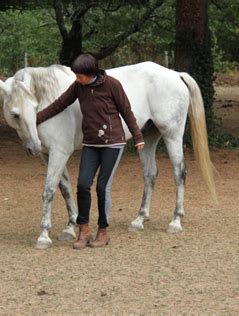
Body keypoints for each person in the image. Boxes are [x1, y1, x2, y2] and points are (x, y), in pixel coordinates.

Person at [36, 53, 144, 249]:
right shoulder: (79, 86)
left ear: (91, 73)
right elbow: (60, 104)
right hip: (91, 144)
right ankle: (84, 230)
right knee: (83, 184)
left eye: (80, 76)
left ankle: (103, 231)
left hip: (112, 143)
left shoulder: (112, 85)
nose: (77, 79)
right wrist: (34, 120)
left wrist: (137, 137)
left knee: (102, 187)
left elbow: (126, 111)